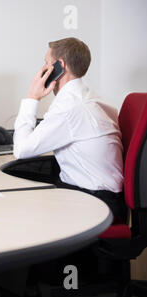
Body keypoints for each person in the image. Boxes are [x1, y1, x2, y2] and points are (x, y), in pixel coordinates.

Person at [13, 37, 126, 222]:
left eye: (46, 63)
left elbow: (21, 150)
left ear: (59, 66)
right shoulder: (90, 97)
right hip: (105, 200)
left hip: (95, 205)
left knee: (20, 211)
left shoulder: (70, 106)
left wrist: (32, 98)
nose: (42, 70)